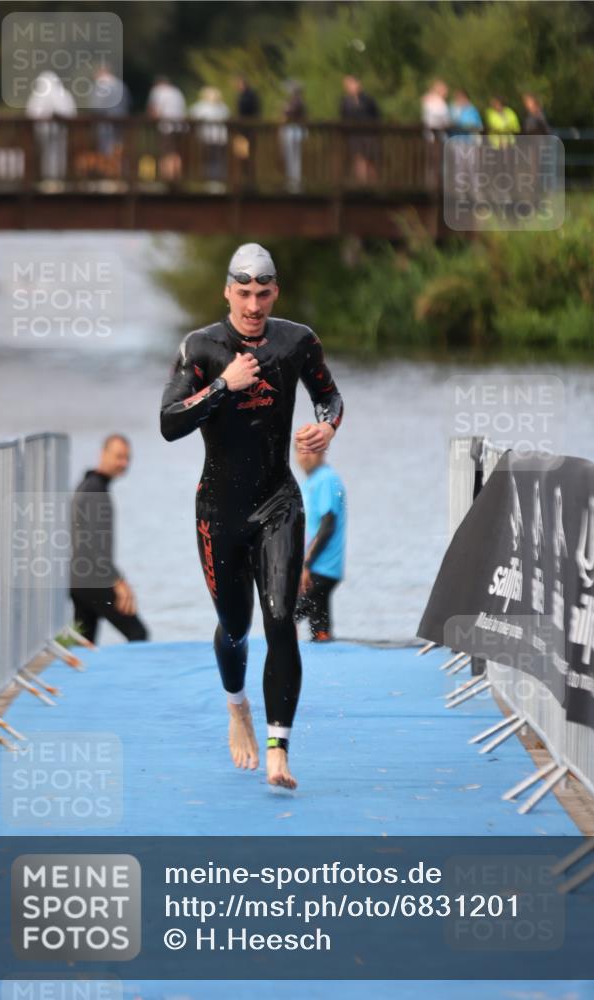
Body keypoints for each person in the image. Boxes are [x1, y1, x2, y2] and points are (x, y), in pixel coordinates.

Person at [160, 243, 343, 789]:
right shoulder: (202, 347)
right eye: (244, 293)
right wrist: (223, 386)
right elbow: (169, 422)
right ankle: (236, 705)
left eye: (263, 293)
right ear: (227, 293)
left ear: (275, 293)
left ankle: (279, 750)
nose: (254, 305)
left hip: (277, 501)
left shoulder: (297, 341)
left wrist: (328, 426)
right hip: (219, 510)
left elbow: (330, 398)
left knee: (281, 618)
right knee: (236, 627)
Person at [70, 435, 149, 644]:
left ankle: (79, 675)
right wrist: (119, 582)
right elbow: (94, 545)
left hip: (79, 579)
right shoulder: (96, 490)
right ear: (102, 455)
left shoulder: (87, 484)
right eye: (118, 457)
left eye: (127, 458)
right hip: (93, 578)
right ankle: (137, 677)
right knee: (138, 634)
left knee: (84, 643)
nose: (123, 463)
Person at [294, 441, 346, 641]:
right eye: (301, 451)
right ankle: (324, 643)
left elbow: (328, 525)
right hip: (315, 567)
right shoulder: (312, 481)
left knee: (286, 615)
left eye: (311, 451)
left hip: (321, 568)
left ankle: (280, 664)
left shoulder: (326, 479)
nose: (305, 456)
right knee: (320, 629)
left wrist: (307, 563)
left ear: (322, 452)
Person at [25, 71, 77, 182]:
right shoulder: (64, 94)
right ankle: (57, 177)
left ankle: (50, 178)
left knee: (49, 154)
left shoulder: (38, 95)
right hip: (60, 131)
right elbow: (71, 112)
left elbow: (31, 113)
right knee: (57, 153)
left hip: (45, 131)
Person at [339, 75, 380, 183]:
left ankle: (373, 185)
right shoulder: (345, 101)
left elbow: (376, 115)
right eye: (348, 85)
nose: (351, 87)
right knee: (358, 160)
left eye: (352, 84)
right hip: (354, 135)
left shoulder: (368, 99)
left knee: (370, 161)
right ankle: (362, 185)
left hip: (369, 134)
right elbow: (343, 117)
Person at [146, 75, 187, 181]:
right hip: (180, 127)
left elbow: (154, 111)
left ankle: (166, 178)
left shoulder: (157, 91)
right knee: (176, 153)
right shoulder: (177, 92)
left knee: (165, 153)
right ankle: (176, 177)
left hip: (165, 127)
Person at [190, 86, 230, 184]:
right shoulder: (223, 107)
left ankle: (211, 180)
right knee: (218, 160)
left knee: (209, 160)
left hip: (207, 139)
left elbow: (191, 117)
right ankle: (217, 180)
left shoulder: (200, 107)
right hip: (221, 139)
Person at [279, 81, 307, 191]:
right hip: (293, 131)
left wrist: (285, 109)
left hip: (295, 132)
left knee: (294, 158)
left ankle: (295, 182)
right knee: (291, 158)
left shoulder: (298, 102)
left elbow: (289, 114)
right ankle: (292, 181)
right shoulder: (296, 102)